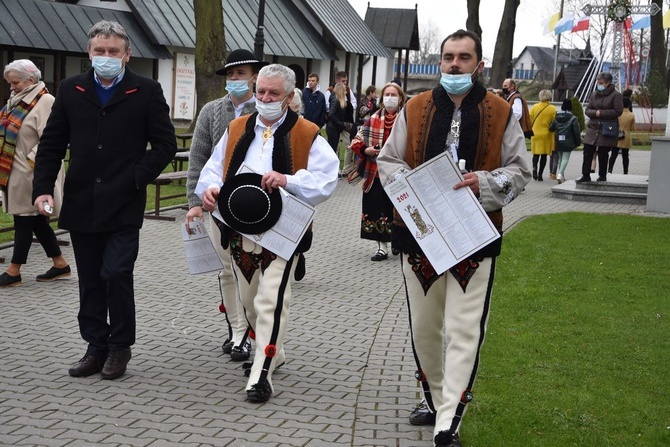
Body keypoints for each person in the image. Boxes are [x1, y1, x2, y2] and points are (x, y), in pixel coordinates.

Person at [377, 29, 531, 447]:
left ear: (478, 64)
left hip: (475, 235)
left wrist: (483, 181)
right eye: (448, 57)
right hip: (420, 235)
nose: (455, 65)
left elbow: (521, 170)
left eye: (464, 58)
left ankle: (449, 421)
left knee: (464, 330)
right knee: (425, 328)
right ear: (440, 61)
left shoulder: (501, 111)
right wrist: (412, 185)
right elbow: (388, 159)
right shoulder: (416, 106)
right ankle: (432, 398)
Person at [32, 20, 177, 380]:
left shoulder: (146, 90)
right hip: (82, 201)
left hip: (124, 202)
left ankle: (120, 346)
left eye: (114, 51)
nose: (107, 57)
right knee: (92, 280)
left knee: (116, 272)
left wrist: (134, 177)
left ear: (127, 55)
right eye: (100, 51)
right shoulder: (70, 89)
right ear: (90, 53)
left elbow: (165, 146)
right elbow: (51, 143)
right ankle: (95, 346)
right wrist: (43, 188)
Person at [195, 64, 339, 403]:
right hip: (237, 228)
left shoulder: (307, 132)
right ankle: (275, 350)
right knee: (249, 301)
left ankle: (262, 372)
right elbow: (213, 167)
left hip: (282, 232)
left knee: (271, 299)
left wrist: (289, 180)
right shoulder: (236, 127)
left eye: (273, 94)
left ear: (289, 97)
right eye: (261, 91)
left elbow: (327, 178)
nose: (264, 98)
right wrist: (210, 189)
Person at [185, 49, 265, 362]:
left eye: (240, 74)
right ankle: (237, 331)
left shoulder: (265, 109)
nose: (234, 80)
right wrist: (194, 202)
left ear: (254, 76)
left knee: (252, 272)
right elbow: (198, 158)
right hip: (217, 205)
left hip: (256, 205)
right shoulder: (211, 111)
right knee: (227, 271)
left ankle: (259, 330)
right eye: (230, 75)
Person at [0, 59, 70, 287]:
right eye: (10, 83)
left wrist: (32, 163)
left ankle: (14, 271)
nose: (12, 87)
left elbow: (53, 140)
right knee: (38, 222)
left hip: (32, 174)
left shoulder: (45, 101)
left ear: (31, 80)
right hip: (15, 172)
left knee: (24, 219)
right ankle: (60, 265)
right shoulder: (17, 101)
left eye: (15, 82)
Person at [349, 82, 404, 261]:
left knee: (397, 210)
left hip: (399, 173)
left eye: (393, 95)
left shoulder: (406, 120)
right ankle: (381, 247)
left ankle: (397, 240)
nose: (389, 98)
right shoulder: (373, 119)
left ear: (401, 98)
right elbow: (356, 141)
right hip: (376, 174)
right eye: (387, 94)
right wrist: (367, 150)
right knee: (376, 209)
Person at [576, 72, 623, 183]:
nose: (599, 85)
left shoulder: (616, 95)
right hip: (593, 128)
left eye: (601, 83)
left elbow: (618, 111)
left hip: (606, 129)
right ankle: (585, 175)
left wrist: (600, 113)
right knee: (587, 151)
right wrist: (594, 113)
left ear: (608, 83)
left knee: (603, 153)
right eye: (598, 82)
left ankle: (602, 175)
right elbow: (588, 110)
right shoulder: (594, 94)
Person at [325, 71, 357, 174]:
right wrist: (340, 123)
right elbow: (330, 113)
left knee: (346, 146)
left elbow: (353, 104)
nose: (346, 85)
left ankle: (343, 168)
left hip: (341, 125)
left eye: (346, 81)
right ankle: (332, 170)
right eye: (343, 82)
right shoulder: (333, 96)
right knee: (334, 149)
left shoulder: (345, 94)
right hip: (334, 126)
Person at [549, 98, 582, 184]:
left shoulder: (557, 116)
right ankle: (560, 174)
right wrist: (578, 142)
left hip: (558, 140)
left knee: (560, 158)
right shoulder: (573, 118)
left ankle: (562, 176)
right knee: (565, 159)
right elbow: (576, 132)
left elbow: (551, 128)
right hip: (568, 141)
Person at [528, 89, 556, 181]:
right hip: (546, 134)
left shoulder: (534, 107)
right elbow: (554, 122)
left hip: (535, 133)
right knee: (544, 155)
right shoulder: (552, 108)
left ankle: (534, 168)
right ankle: (540, 175)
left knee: (535, 154)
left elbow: (530, 120)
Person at [608, 97, 635, 174]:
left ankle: (609, 170)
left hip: (616, 135)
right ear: (629, 105)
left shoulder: (617, 114)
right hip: (626, 135)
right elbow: (632, 127)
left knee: (613, 154)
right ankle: (625, 171)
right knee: (625, 155)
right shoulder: (631, 115)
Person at [326, 82, 348, 159]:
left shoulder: (337, 100)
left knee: (333, 149)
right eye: (344, 90)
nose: (346, 92)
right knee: (332, 149)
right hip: (333, 128)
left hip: (334, 128)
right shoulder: (336, 100)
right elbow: (331, 114)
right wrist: (340, 124)